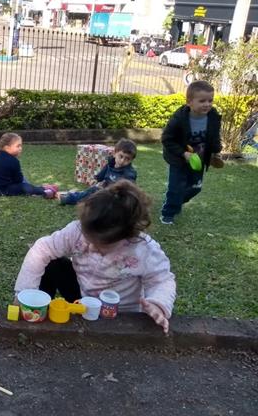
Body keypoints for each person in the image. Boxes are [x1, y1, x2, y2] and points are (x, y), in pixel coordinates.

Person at [14, 180, 176, 333]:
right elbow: (42, 249)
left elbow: (162, 280)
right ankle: (37, 310)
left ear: (125, 236)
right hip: (83, 298)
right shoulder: (77, 230)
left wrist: (158, 304)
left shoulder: (143, 249)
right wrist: (24, 292)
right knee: (53, 264)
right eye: (88, 238)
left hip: (119, 312)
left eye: (99, 245)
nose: (90, 247)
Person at [160, 80, 222, 225]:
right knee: (176, 187)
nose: (207, 104)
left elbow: (214, 136)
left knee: (196, 187)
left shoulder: (213, 116)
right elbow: (166, 139)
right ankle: (168, 213)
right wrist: (183, 153)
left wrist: (215, 151)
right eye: (202, 101)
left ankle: (175, 200)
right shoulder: (179, 119)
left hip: (200, 159)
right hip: (178, 159)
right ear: (189, 102)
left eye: (210, 100)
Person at [59, 138, 138, 205]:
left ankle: (71, 198)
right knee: (91, 191)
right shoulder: (111, 164)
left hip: (116, 198)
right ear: (114, 154)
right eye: (121, 156)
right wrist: (96, 179)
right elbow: (102, 173)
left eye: (127, 159)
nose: (122, 160)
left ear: (131, 160)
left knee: (93, 194)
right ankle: (71, 196)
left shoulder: (129, 173)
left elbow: (128, 189)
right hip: (105, 191)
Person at [0, 132, 57, 198]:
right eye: (18, 146)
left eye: (21, 146)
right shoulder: (13, 161)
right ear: (7, 148)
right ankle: (43, 190)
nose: (20, 148)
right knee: (24, 187)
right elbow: (19, 180)